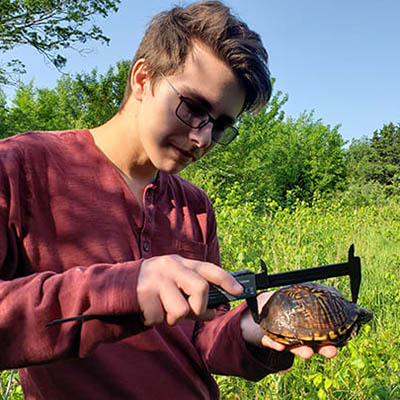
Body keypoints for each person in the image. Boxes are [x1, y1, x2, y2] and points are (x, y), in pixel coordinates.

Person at [0, 1, 337, 399]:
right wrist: (124, 287)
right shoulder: (21, 168)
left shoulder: (194, 207)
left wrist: (252, 330)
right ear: (142, 79)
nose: (202, 139)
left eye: (221, 126)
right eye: (193, 108)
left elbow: (201, 336)